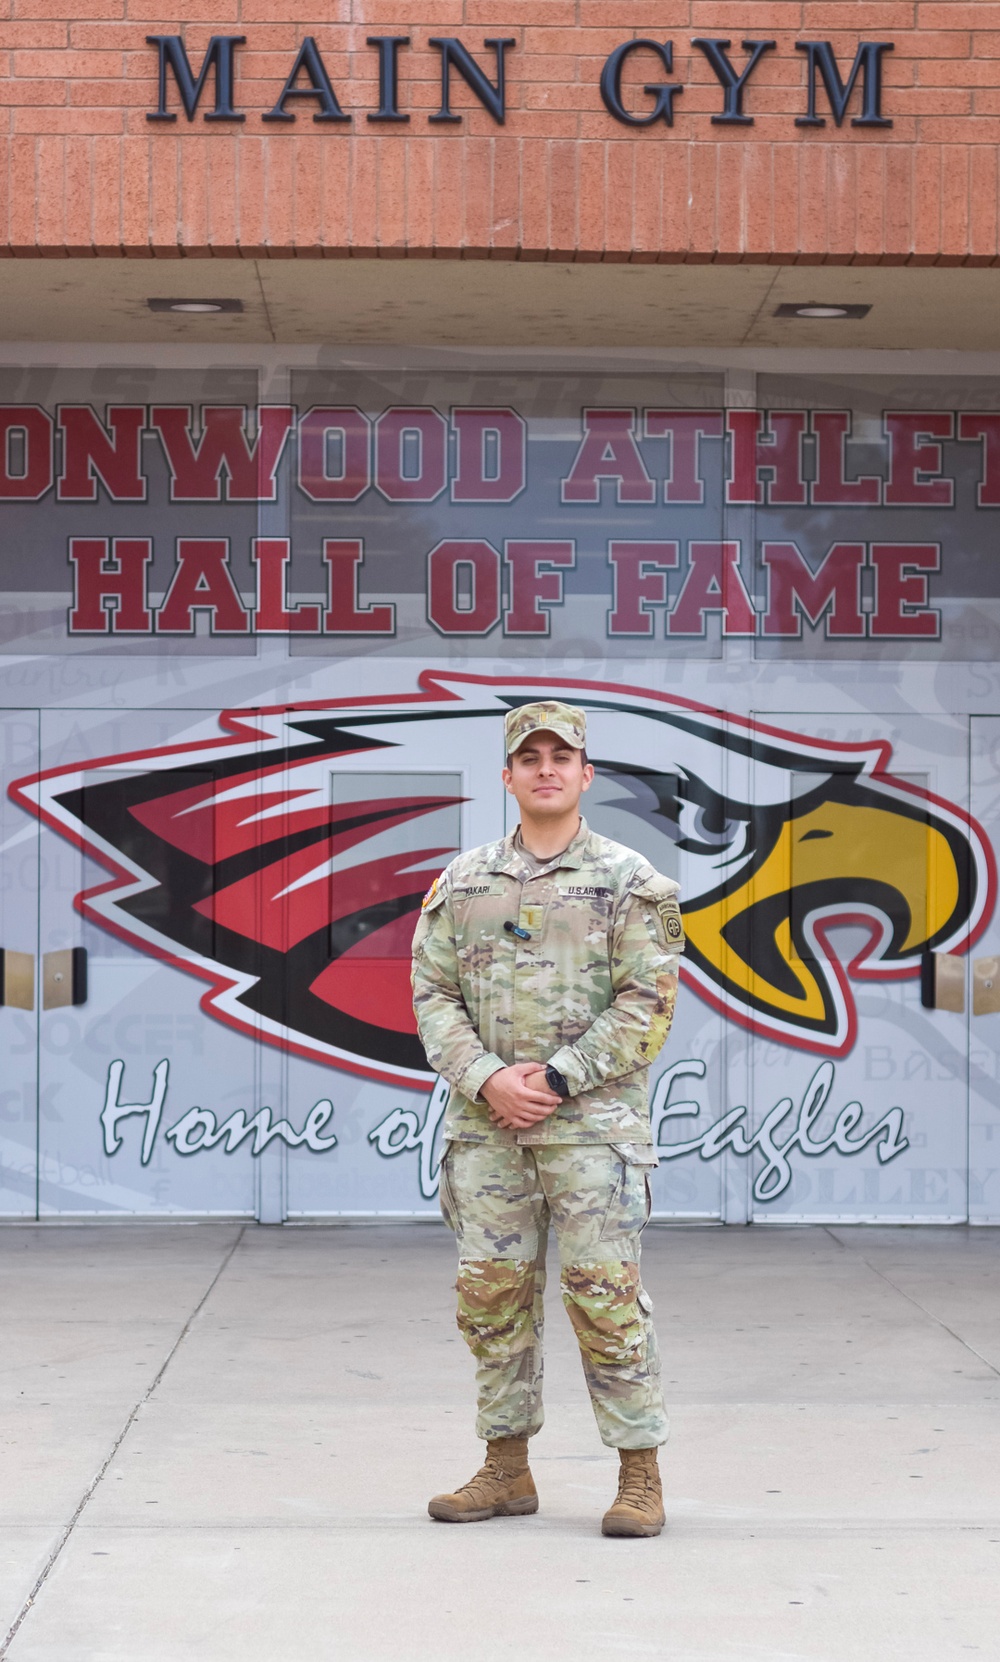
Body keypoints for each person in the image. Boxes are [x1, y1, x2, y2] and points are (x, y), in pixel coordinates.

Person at [410, 700, 685, 1538]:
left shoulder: (633, 883)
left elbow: (649, 1003)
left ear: (585, 773)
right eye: (528, 757)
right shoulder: (462, 884)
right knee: (491, 1299)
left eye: (560, 755)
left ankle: (640, 1476)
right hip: (487, 1133)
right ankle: (505, 1469)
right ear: (507, 776)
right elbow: (432, 993)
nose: (545, 768)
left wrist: (558, 1079)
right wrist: (488, 1078)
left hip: (592, 1135)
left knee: (606, 1298)